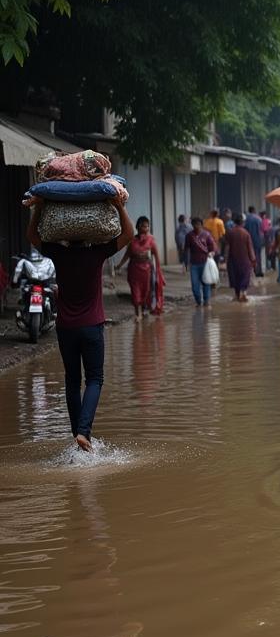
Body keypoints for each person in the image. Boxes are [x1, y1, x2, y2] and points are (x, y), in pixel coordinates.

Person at [27, 191, 133, 452]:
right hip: (92, 326)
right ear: (87, 234)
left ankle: (79, 437)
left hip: (66, 328)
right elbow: (128, 235)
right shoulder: (96, 253)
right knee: (95, 378)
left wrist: (39, 208)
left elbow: (32, 236)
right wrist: (119, 206)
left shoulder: (58, 254)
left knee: (72, 381)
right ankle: (84, 432)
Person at [115, 215, 160, 320]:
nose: (145, 229)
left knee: (146, 292)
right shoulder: (132, 241)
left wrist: (158, 272)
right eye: (142, 226)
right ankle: (137, 313)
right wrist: (119, 265)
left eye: (146, 226)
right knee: (135, 292)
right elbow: (127, 255)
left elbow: (156, 257)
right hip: (134, 270)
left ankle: (144, 309)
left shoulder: (151, 241)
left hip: (147, 271)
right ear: (137, 227)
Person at [184, 217, 217, 307]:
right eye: (194, 224)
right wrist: (185, 263)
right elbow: (186, 250)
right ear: (192, 225)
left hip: (205, 263)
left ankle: (206, 301)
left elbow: (213, 247)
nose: (196, 226)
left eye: (198, 224)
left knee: (206, 282)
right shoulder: (189, 236)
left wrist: (212, 253)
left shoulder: (207, 235)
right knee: (195, 285)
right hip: (194, 264)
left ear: (201, 225)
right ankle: (198, 301)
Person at [225, 213, 258, 301]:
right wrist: (253, 260)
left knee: (235, 278)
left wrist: (225, 259)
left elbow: (227, 247)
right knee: (244, 277)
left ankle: (236, 295)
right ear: (243, 223)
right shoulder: (246, 233)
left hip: (233, 260)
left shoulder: (230, 232)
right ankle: (243, 293)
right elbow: (250, 248)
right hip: (245, 260)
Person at [244, 206, 264, 277]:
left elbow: (245, 229)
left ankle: (252, 271)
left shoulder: (246, 219)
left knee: (250, 256)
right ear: (254, 210)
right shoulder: (258, 219)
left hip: (249, 241)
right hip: (258, 240)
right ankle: (258, 271)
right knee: (258, 256)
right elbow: (261, 230)